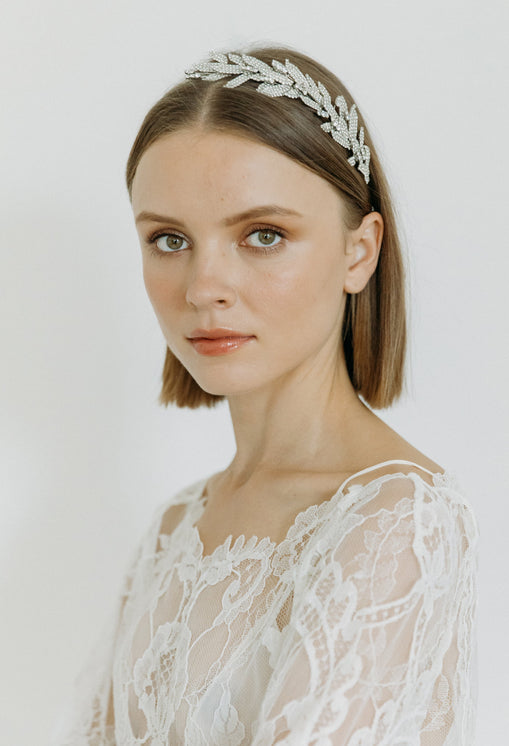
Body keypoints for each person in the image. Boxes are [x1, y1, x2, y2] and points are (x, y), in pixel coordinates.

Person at [51, 44, 479, 745]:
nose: (203, 288)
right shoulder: (176, 526)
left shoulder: (397, 518)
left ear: (359, 251)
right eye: (169, 240)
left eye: (263, 234)